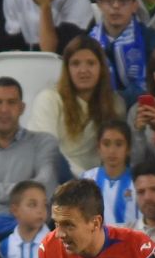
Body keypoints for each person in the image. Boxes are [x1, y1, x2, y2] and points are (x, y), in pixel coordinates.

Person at [0, 77, 61, 210]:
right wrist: (20, 204)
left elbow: (44, 188)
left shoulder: (43, 143)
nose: (4, 109)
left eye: (11, 102)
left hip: (28, 228)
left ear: (22, 108)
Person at [31, 35, 123, 174]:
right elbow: (48, 154)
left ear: (102, 68)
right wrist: (85, 178)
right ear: (66, 69)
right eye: (75, 64)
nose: (83, 70)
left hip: (96, 183)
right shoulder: (49, 99)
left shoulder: (115, 104)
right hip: (57, 177)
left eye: (91, 63)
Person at [93, 0, 155, 102]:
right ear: (99, 5)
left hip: (140, 108)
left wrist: (118, 99)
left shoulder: (150, 38)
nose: (116, 6)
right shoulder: (89, 42)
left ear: (134, 6)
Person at [0, 180, 51, 258]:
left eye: (44, 204)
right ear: (15, 210)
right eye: (32, 204)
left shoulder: (55, 245)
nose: (40, 210)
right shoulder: (5, 247)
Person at [82, 122, 139, 227]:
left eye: (119, 144)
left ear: (128, 148)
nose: (112, 151)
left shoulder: (138, 180)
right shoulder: (87, 179)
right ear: (98, 147)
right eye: (106, 144)